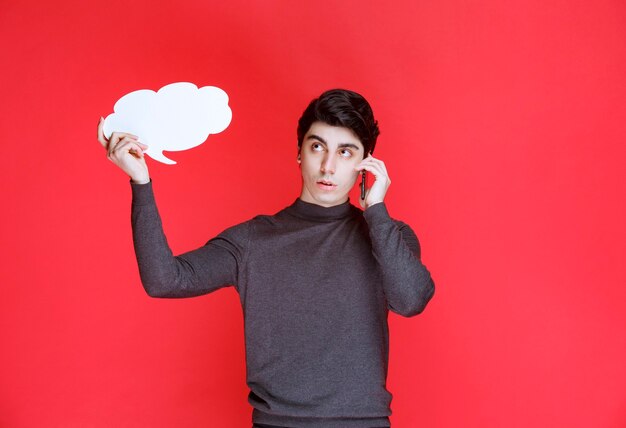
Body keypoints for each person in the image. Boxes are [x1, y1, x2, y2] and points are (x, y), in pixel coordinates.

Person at [98, 89, 435, 427]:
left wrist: (375, 209)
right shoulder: (253, 241)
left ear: (366, 163)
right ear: (299, 153)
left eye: (345, 152)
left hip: (363, 422)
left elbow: (410, 300)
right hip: (276, 422)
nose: (328, 166)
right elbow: (164, 280)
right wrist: (140, 182)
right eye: (317, 147)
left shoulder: (388, 236)